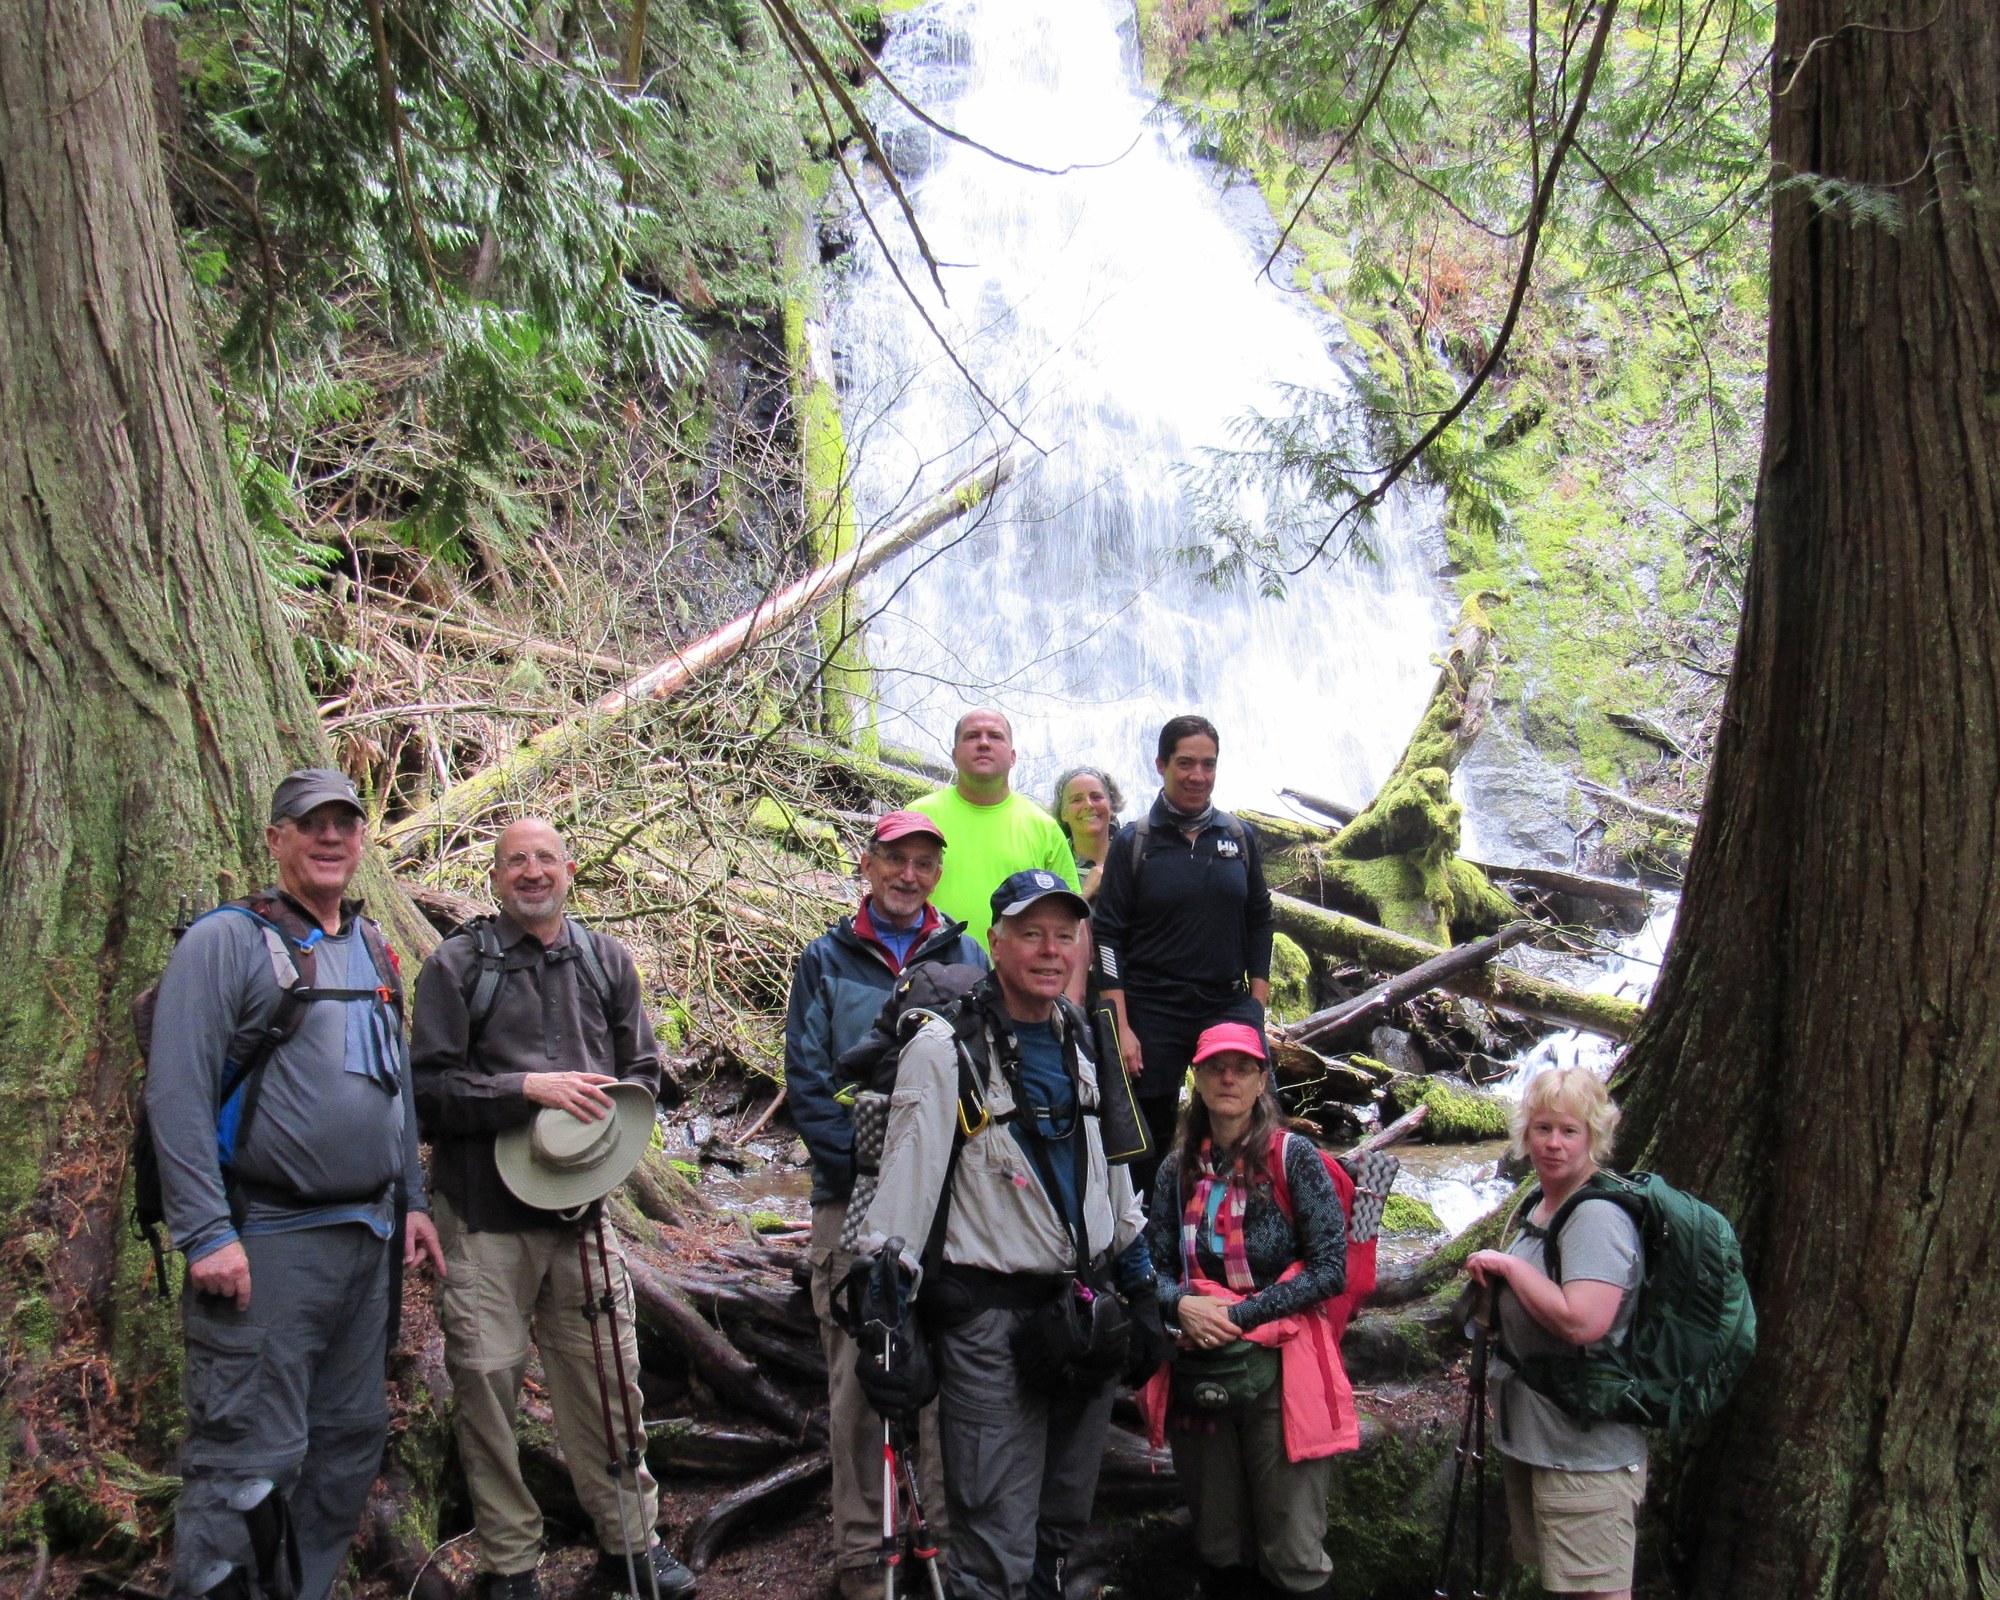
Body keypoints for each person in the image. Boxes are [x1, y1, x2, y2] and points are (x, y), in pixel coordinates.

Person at [148, 768, 444, 1600]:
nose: (330, 837)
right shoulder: (227, 943)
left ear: (362, 840)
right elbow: (176, 1092)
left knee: (349, 1440)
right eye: (311, 824)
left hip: (369, 1245)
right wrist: (206, 1232)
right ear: (276, 839)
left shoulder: (373, 946)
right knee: (247, 1457)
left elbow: (395, 1087)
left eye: (345, 823)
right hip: (267, 1243)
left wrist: (413, 1201)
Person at [858, 872, 1168, 1600]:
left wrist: (1144, 1293)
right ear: (996, 945)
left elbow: (1117, 1186)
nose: (1051, 951)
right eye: (1032, 934)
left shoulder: (1086, 1039)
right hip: (989, 1325)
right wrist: (885, 1326)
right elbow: (900, 1204)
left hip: (1085, 1317)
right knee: (994, 1538)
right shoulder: (945, 1051)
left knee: (1060, 1528)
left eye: (1065, 935)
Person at [410, 819, 696, 1600]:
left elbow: (642, 1069)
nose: (531, 872)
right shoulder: (457, 966)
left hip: (582, 1217)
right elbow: (427, 1093)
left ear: (569, 871)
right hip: (481, 1217)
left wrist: (600, 1128)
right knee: (487, 1385)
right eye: (515, 861)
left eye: (545, 859)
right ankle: (510, 1564)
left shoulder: (605, 961)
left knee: (609, 1381)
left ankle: (631, 1548)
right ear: (495, 878)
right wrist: (524, 1091)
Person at [785, 811, 985, 1600]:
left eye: (924, 863)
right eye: (896, 859)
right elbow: (808, 1079)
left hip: (949, 1203)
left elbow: (985, 1072)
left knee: (946, 1369)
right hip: (850, 1193)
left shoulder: (967, 956)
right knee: (856, 1372)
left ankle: (945, 1549)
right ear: (867, 864)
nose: (909, 875)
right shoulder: (824, 960)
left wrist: (937, 1175)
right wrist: (867, 1169)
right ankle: (865, 1555)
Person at [1142, 1023, 1352, 1600]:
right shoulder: (1176, 1169)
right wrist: (1182, 1306)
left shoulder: (1293, 1158)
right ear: (1198, 1079)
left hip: (1283, 1371)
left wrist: (1239, 1317)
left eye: (1242, 1068)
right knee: (1219, 1544)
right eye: (1216, 1067)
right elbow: (1151, 1269)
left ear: (1263, 1081)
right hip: (1200, 1366)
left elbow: (1328, 1269)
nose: (1228, 1078)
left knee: (1293, 1550)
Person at [1466, 1067, 1646, 1600]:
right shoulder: (1542, 1204)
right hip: (1543, 1437)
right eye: (1543, 1128)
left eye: (1570, 1130)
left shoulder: (1596, 1217)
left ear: (1594, 1136)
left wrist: (1510, 1267)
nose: (1553, 1143)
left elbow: (1583, 1321)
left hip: (1586, 1451)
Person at [1091, 715, 1276, 1204]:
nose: (1198, 775)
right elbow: (1107, 934)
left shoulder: (1238, 838)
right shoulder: (1135, 842)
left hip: (1225, 1003)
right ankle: (1143, 1228)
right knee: (1145, 1134)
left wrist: (1256, 1004)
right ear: (1161, 764)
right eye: (1186, 763)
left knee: (1244, 1120)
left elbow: (1260, 919)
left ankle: (1238, 1219)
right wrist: (1120, 1024)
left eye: (1208, 765)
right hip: (1152, 1008)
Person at [911, 709, 1075, 947]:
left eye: (995, 736)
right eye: (972, 736)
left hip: (1020, 969)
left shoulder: (1045, 828)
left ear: (1013, 756)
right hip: (928, 964)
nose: (984, 743)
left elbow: (1073, 920)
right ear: (954, 755)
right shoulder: (917, 816)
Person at [1051, 766, 1124, 903]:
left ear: (1111, 806)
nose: (1089, 805)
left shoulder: (1132, 855)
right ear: (1063, 813)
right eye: (1076, 800)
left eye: (1096, 797)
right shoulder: (1052, 865)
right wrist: (1085, 892)